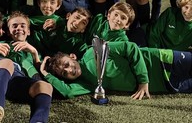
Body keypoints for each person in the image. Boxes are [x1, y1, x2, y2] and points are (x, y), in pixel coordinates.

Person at [41, 41, 192, 99]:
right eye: (64, 73)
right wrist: (46, 74)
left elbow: (130, 47)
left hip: (163, 61)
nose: (69, 70)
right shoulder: (86, 84)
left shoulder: (93, 51)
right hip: (166, 85)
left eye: (67, 64)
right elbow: (68, 92)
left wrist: (143, 81)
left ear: (73, 57)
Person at [0, 11, 53, 123]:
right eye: (14, 26)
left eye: (23, 25)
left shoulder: (33, 51)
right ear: (8, 32)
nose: (19, 28)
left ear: (29, 31)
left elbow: (40, 72)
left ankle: (38, 121)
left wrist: (34, 53)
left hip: (14, 79)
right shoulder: (0, 43)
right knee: (7, 63)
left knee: (45, 86)